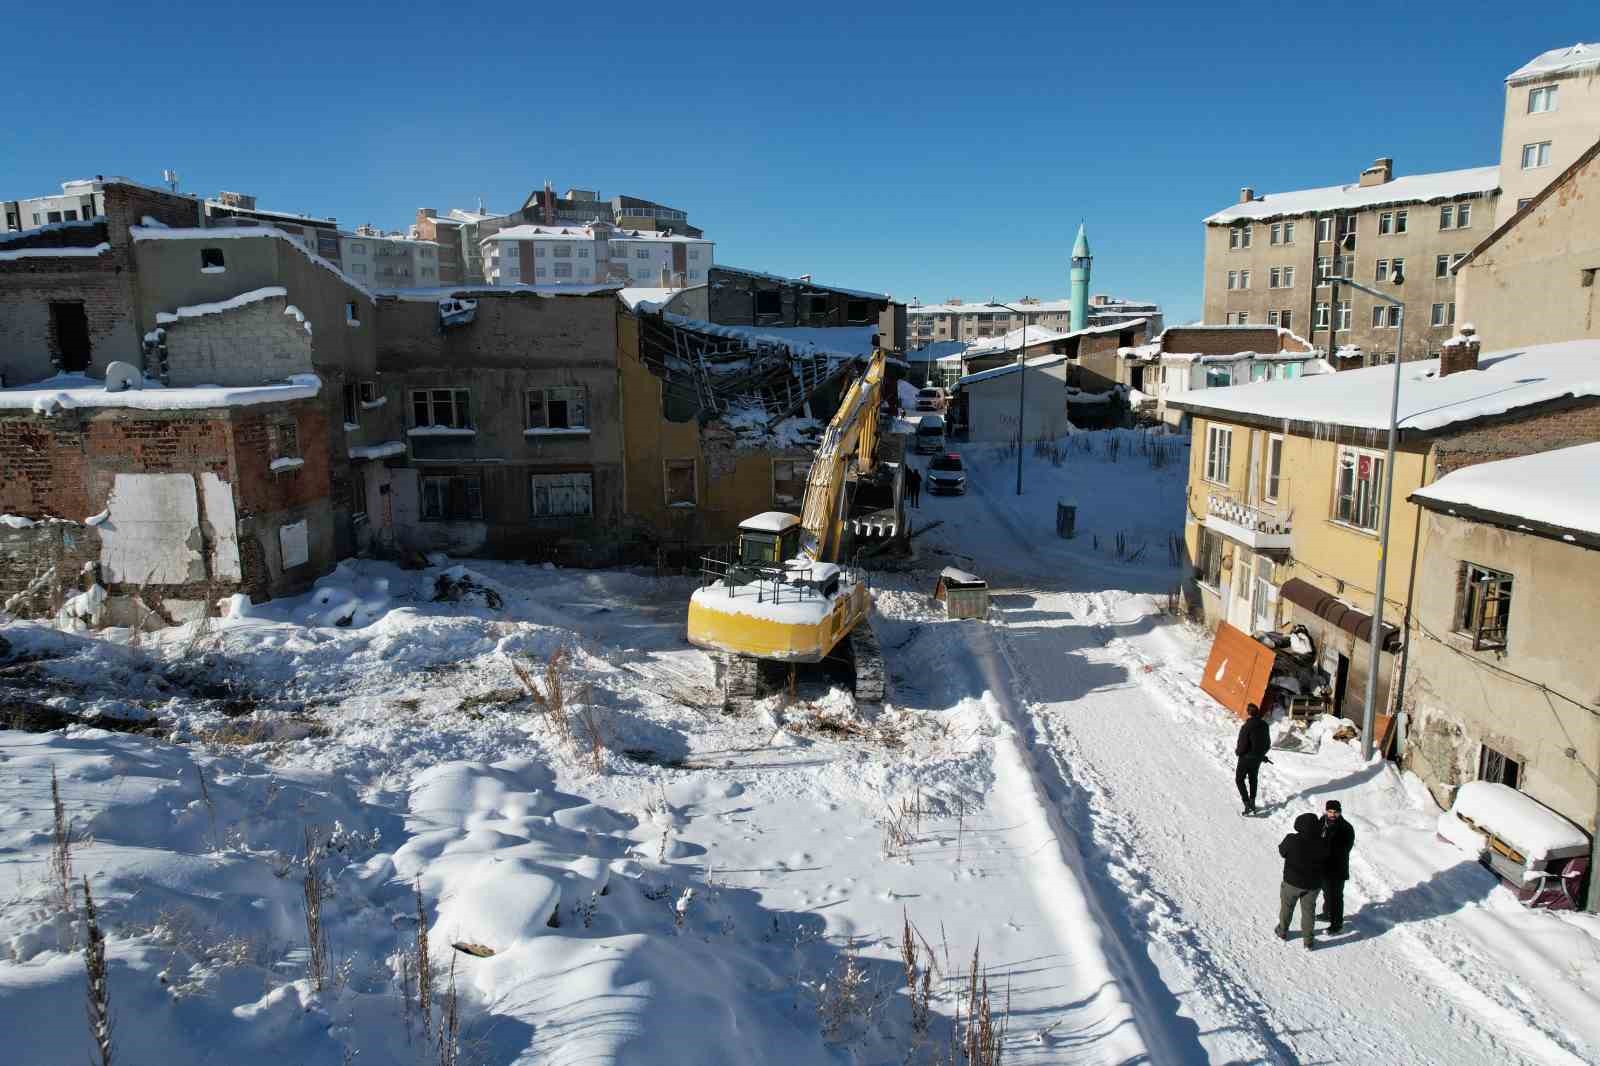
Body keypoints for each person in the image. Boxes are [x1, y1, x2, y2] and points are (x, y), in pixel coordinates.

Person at [1277, 812, 1330, 949]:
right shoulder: (1322, 843)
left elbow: (1282, 852)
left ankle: (1282, 931)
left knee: (1287, 908)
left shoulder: (1291, 839)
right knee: (1308, 912)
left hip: (1291, 883)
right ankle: (1308, 941)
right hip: (1312, 885)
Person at [1319, 800, 1355, 933]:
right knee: (1327, 893)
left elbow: (1345, 849)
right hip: (1323, 867)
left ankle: (1337, 925)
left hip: (1337, 868)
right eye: (1330, 811)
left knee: (1336, 897)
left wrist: (1326, 848)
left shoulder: (1346, 828)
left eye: (1335, 812)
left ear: (1340, 812)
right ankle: (1327, 913)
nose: (1332, 814)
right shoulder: (1321, 822)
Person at [1234, 703, 1271, 814]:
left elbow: (1242, 744)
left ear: (1248, 712)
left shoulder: (1247, 727)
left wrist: (1239, 752)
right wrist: (1261, 755)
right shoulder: (1265, 725)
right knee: (1253, 779)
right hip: (1257, 758)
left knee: (1239, 779)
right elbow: (1267, 744)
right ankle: (1252, 802)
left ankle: (1247, 804)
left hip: (1246, 758)